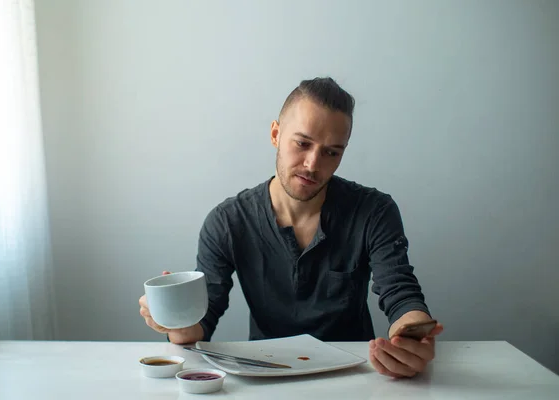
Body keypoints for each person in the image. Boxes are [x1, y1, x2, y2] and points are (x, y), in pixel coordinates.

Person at [139, 77, 443, 378]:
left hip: (353, 374)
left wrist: (412, 336)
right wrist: (173, 321)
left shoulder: (374, 211)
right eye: (302, 143)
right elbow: (201, 324)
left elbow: (400, 292)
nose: (312, 164)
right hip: (263, 374)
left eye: (331, 152)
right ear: (275, 134)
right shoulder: (227, 222)